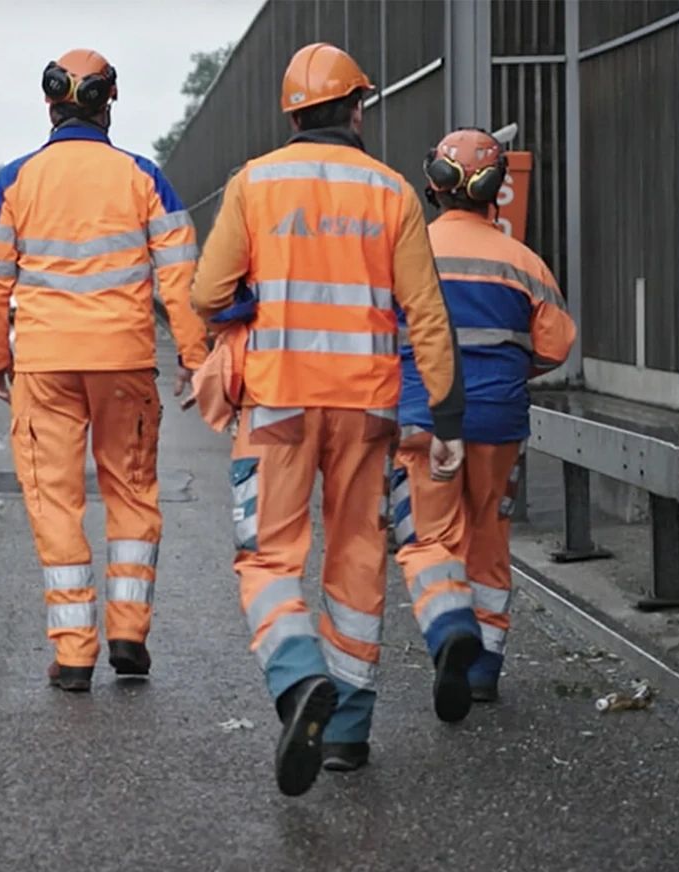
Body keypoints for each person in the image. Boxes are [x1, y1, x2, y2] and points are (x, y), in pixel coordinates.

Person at [190, 42, 464, 795]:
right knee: (355, 556)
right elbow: (426, 314)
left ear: (291, 113)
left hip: (276, 401)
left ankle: (298, 676)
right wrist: (446, 415)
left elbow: (207, 294)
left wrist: (246, 304)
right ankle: (345, 731)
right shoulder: (393, 192)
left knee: (268, 559)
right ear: (356, 108)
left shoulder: (254, 182)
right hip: (368, 407)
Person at [0, 48, 209, 692]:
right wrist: (195, 357)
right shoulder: (144, 177)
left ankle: (74, 652)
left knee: (55, 500)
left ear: (50, 103)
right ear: (110, 102)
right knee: (131, 491)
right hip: (125, 360)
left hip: (45, 365)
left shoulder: (16, 181)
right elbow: (182, 275)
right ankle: (129, 631)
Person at [389, 127, 576, 721]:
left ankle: (448, 628)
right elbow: (555, 345)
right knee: (490, 538)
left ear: (433, 187)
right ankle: (484, 668)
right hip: (499, 423)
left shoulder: (405, 252)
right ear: (497, 193)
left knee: (427, 537)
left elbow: (382, 334)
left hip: (425, 419)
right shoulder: (524, 262)